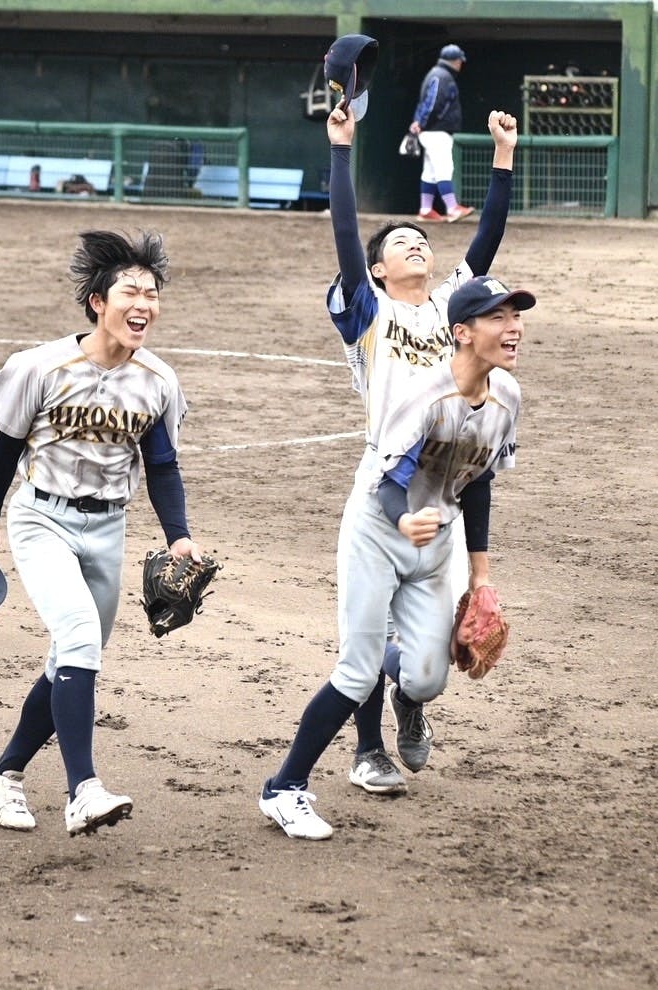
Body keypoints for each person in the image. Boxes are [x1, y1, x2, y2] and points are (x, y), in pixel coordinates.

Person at [258, 102, 519, 838]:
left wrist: (502, 158)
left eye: (420, 239)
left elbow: (487, 245)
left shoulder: (453, 314)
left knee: (429, 672)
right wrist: (341, 149)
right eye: (399, 242)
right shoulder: (369, 311)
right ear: (377, 268)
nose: (414, 244)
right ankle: (327, 766)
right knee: (358, 656)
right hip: (384, 492)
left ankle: (406, 695)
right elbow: (347, 237)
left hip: (443, 501)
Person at [0, 229, 209, 836]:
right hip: (41, 518)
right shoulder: (41, 366)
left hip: (108, 529)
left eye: (152, 294)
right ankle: (83, 791)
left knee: (71, 658)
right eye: (131, 292)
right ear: (98, 302)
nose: (144, 304)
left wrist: (179, 536)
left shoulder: (157, 379)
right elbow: (5, 449)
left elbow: (162, 466)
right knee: (77, 635)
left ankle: (4, 772)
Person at [408, 44, 473, 223]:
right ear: (455, 61)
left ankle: (426, 209)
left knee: (430, 171)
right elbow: (433, 103)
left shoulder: (437, 73)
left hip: (431, 131)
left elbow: (427, 103)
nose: (461, 63)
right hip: (436, 131)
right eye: (459, 60)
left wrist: (419, 122)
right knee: (444, 168)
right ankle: (452, 208)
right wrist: (422, 122)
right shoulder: (442, 76)